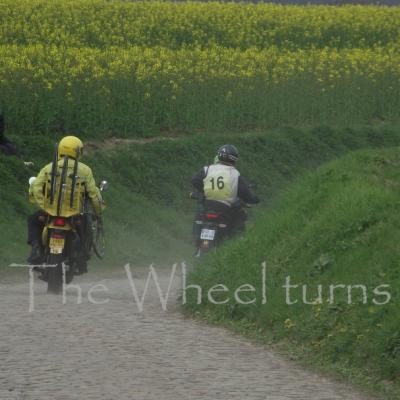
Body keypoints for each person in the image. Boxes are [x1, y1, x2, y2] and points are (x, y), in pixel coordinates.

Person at [27, 135, 103, 265]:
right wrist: (98, 210)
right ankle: (81, 257)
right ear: (78, 151)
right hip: (74, 214)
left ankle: (36, 249)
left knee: (33, 219)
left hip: (50, 212)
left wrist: (43, 204)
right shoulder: (85, 170)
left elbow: (36, 187)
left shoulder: (49, 167)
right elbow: (93, 193)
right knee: (86, 225)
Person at [191, 144, 259, 239]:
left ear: (218, 155)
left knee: (199, 213)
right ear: (234, 158)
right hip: (224, 209)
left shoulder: (207, 169)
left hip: (207, 205)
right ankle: (236, 240)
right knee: (239, 215)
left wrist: (204, 190)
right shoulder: (235, 174)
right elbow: (244, 192)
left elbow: (195, 180)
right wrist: (254, 199)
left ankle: (196, 238)